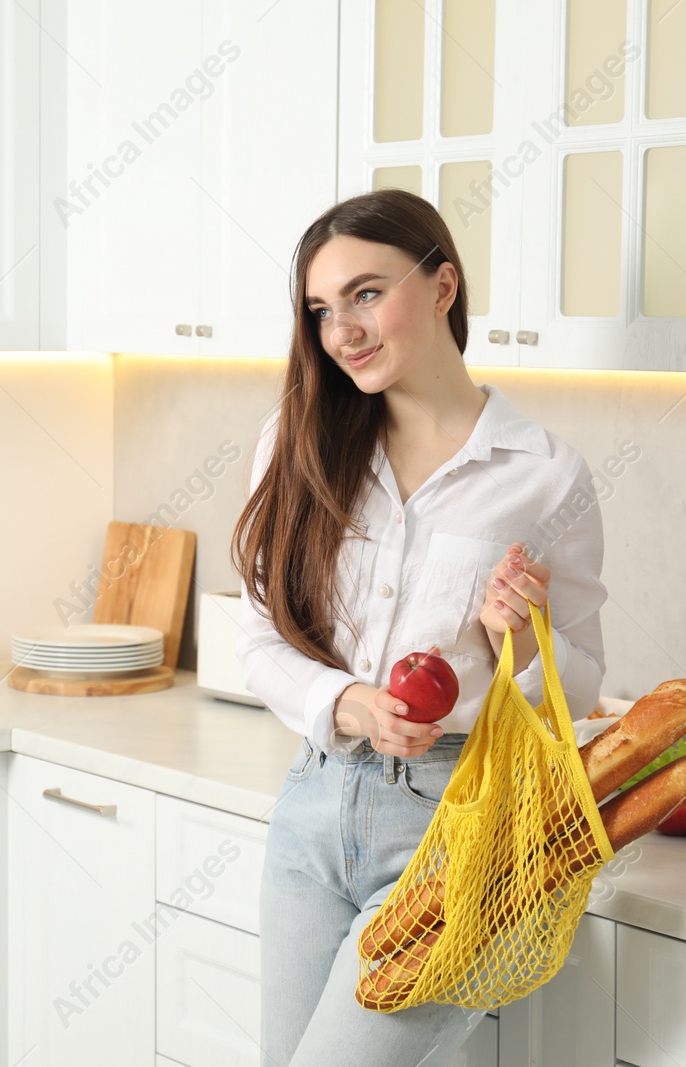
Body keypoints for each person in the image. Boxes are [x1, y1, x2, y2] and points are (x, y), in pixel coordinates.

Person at [229, 188, 608, 1065]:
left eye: (366, 294)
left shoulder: (545, 475)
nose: (342, 332)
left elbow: (579, 675)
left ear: (443, 286)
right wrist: (353, 703)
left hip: (455, 826)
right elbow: (259, 637)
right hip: (312, 809)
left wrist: (524, 635)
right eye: (322, 309)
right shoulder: (299, 437)